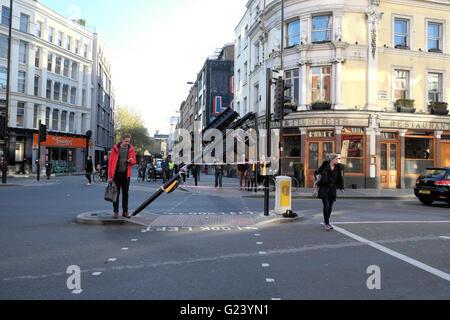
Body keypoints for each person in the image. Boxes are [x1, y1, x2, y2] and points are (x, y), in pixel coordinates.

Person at [108, 133, 137, 219]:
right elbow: (110, 163)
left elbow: (134, 161)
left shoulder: (131, 149)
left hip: (126, 175)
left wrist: (131, 161)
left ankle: (125, 211)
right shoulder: (115, 148)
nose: (127, 143)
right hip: (116, 175)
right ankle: (116, 211)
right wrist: (110, 176)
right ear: (122, 140)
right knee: (116, 194)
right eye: (126, 141)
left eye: (129, 141)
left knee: (125, 194)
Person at [314, 153, 344, 231]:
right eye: (336, 159)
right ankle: (327, 223)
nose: (338, 160)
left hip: (332, 190)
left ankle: (325, 221)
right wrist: (318, 176)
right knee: (326, 206)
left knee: (330, 207)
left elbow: (340, 178)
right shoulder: (325, 165)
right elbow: (316, 172)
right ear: (332, 160)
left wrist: (341, 187)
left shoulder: (338, 167)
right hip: (324, 189)